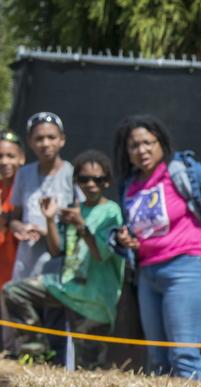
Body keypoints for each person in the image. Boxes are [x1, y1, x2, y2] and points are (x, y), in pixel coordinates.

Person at [112, 115, 201, 379]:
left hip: (188, 268)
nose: (142, 150)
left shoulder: (181, 169)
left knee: (183, 355)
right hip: (148, 274)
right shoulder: (129, 184)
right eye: (134, 145)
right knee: (157, 360)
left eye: (148, 142)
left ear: (161, 143)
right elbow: (135, 227)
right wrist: (127, 240)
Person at [2, 151, 125, 368]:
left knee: (87, 371)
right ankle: (36, 354)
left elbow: (100, 254)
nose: (91, 184)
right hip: (65, 288)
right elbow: (57, 250)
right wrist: (50, 219)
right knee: (14, 291)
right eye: (84, 179)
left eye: (97, 179)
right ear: (76, 181)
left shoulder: (111, 212)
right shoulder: (73, 210)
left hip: (93, 301)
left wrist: (81, 225)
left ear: (107, 181)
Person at [5, 113, 75, 355]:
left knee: (56, 323)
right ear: (31, 142)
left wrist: (48, 229)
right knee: (17, 305)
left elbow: (79, 223)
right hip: (27, 261)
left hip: (57, 264)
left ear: (62, 140)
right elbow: (14, 217)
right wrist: (20, 228)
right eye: (39, 138)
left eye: (51, 137)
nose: (45, 143)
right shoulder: (24, 175)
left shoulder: (72, 175)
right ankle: (32, 354)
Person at [0, 129, 25, 353]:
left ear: (21, 158)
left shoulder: (28, 188)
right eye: (0, 157)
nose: (4, 162)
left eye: (10, 156)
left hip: (19, 278)